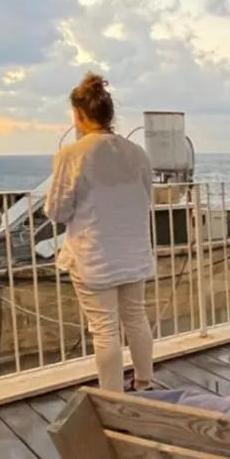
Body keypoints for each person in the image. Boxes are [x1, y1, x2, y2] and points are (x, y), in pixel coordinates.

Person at [45, 73, 155, 392]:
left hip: (95, 255)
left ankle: (113, 398)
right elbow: (144, 198)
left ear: (79, 115)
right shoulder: (138, 154)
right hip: (134, 253)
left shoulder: (73, 155)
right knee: (136, 318)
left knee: (104, 329)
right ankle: (145, 383)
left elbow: (56, 210)